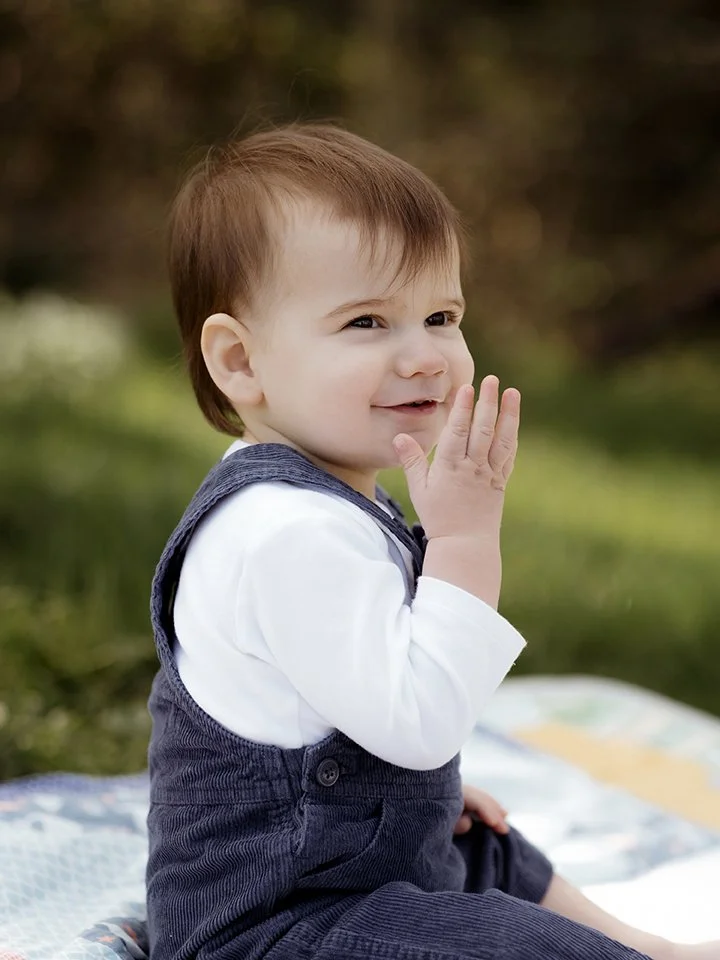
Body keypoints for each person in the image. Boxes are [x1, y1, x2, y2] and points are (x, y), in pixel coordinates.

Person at [146, 122, 718, 960]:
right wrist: (464, 537)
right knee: (499, 939)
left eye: (441, 315)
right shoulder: (281, 532)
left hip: (339, 871)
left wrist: (414, 804)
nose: (424, 357)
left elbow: (359, 707)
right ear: (240, 361)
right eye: (367, 321)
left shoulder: (328, 503)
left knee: (486, 847)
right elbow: (419, 725)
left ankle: (644, 947)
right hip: (273, 928)